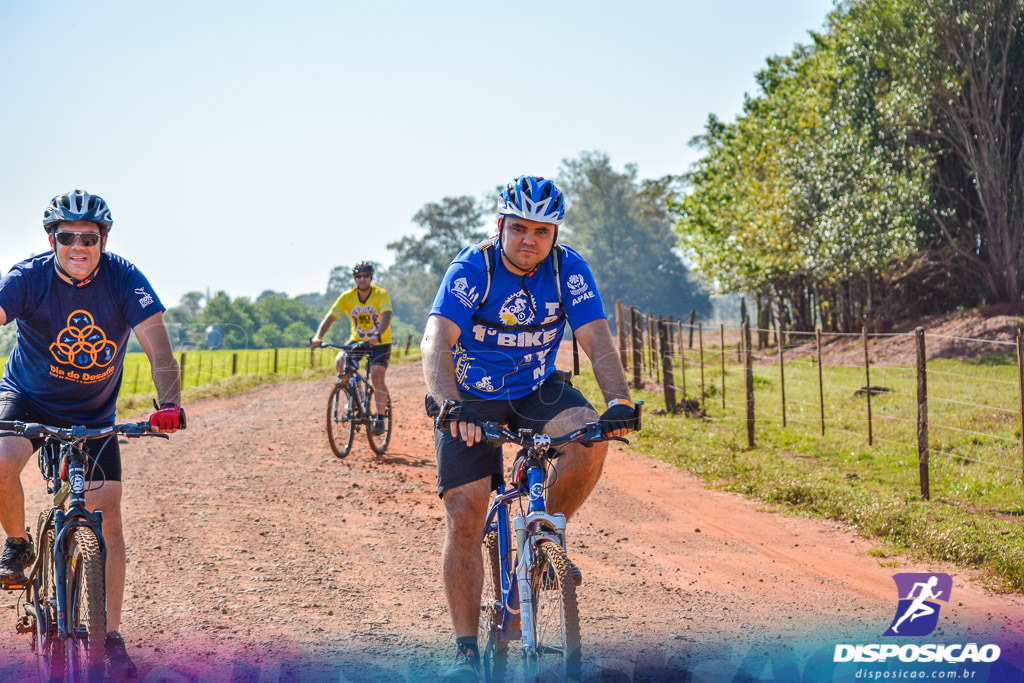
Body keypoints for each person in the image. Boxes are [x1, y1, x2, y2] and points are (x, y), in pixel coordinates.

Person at [420, 175, 637, 682]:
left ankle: (542, 544)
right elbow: (436, 340)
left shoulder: (568, 269)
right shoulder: (475, 266)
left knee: (590, 437)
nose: (529, 241)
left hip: (535, 389)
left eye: (542, 231)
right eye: (519, 228)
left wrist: (618, 400)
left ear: (555, 235)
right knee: (467, 511)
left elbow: (596, 339)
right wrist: (450, 405)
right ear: (500, 225)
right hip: (470, 396)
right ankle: (466, 652)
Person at [0, 189, 185, 681]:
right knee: (0, 458)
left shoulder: (126, 279)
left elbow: (160, 351)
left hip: (94, 411)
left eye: (89, 236)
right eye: (67, 236)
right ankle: (18, 544)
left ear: (104, 237)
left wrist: (168, 405)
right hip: (27, 397)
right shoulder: (27, 278)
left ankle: (112, 636)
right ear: (51, 239)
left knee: (108, 514)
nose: (78, 245)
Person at [311, 262, 393, 435]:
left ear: (371, 277)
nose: (362, 279)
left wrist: (377, 334)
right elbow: (330, 317)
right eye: (358, 276)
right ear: (355, 278)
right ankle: (354, 395)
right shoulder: (347, 297)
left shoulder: (380, 294)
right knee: (341, 361)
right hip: (357, 341)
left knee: (377, 377)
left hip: (380, 343)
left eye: (365, 276)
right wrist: (318, 336)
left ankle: (379, 419)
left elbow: (387, 315)